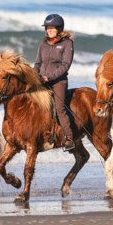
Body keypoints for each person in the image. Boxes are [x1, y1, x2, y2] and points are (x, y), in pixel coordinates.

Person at [34, 13, 75, 151]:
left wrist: (49, 77)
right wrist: (33, 75)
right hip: (42, 80)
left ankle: (69, 138)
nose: (49, 30)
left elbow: (65, 65)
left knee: (59, 108)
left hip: (58, 81)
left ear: (59, 28)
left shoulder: (67, 43)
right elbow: (38, 63)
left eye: (52, 28)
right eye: (47, 28)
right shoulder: (43, 43)